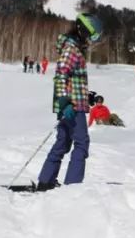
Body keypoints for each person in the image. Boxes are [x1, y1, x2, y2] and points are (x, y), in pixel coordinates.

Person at [37, 13, 103, 189]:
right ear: (82, 30)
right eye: (89, 36)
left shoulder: (73, 48)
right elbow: (60, 76)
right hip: (72, 107)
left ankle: (46, 181)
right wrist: (65, 102)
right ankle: (73, 186)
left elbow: (72, 79)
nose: (89, 40)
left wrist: (85, 95)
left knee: (63, 142)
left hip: (72, 104)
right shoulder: (71, 49)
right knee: (82, 143)